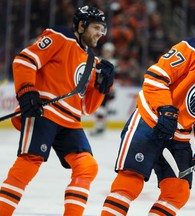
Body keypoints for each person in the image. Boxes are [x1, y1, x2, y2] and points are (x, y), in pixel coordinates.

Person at [100, 14, 195, 215]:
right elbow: (156, 76)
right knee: (130, 183)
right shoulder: (193, 48)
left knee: (178, 192)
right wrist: (165, 109)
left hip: (178, 137)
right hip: (150, 122)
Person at [0, 5, 114, 216]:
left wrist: (102, 87)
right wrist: (26, 91)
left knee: (87, 166)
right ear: (81, 25)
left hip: (70, 122)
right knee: (29, 163)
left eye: (103, 29)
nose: (100, 34)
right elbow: (24, 60)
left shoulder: (93, 61)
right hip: (43, 112)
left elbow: (87, 107)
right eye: (96, 28)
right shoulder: (60, 37)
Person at [90, 42, 118, 136]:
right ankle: (99, 127)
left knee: (102, 109)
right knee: (99, 109)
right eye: (106, 51)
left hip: (109, 89)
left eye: (108, 51)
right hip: (100, 87)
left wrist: (114, 89)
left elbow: (117, 78)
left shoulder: (115, 63)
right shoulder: (99, 61)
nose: (107, 53)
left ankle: (100, 127)